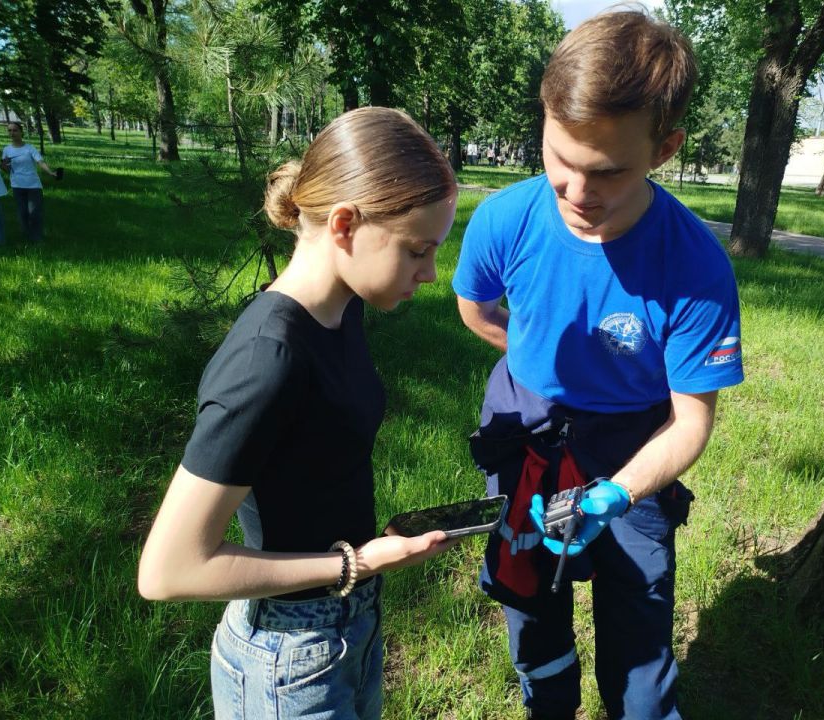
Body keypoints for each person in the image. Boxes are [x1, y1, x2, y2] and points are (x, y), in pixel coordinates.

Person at [452, 11, 743, 720]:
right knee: (532, 604)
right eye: (559, 160)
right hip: (523, 432)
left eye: (608, 172)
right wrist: (536, 363)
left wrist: (618, 493)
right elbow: (476, 308)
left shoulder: (695, 267)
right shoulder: (504, 219)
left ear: (665, 148)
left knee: (638, 626)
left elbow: (690, 421)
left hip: (634, 448)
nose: (578, 194)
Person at [138, 107, 460, 720]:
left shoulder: (342, 311)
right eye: (419, 250)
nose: (430, 273)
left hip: (348, 631)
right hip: (289, 658)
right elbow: (168, 568)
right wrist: (357, 562)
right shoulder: (269, 358)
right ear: (344, 225)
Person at [1, 122, 57, 243]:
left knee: (34, 213)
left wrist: (50, 172)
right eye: (9, 131)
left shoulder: (29, 148)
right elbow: (7, 170)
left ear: (21, 132)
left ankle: (37, 238)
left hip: (33, 185)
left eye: (15, 130)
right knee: (22, 213)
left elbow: (40, 161)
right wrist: (4, 165)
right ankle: (25, 235)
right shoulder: (6, 149)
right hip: (17, 186)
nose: (12, 133)